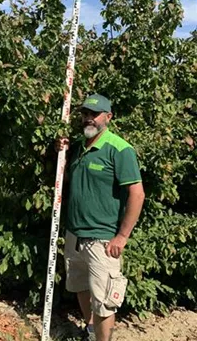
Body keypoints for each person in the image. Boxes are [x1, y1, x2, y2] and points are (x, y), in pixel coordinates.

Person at [55, 93, 145, 341]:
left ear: (108, 117)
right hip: (74, 236)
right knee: (81, 287)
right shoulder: (78, 148)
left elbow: (137, 194)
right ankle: (91, 331)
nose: (88, 119)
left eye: (94, 114)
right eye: (85, 114)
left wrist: (122, 236)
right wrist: (59, 149)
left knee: (104, 302)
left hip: (102, 241)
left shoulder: (120, 149)